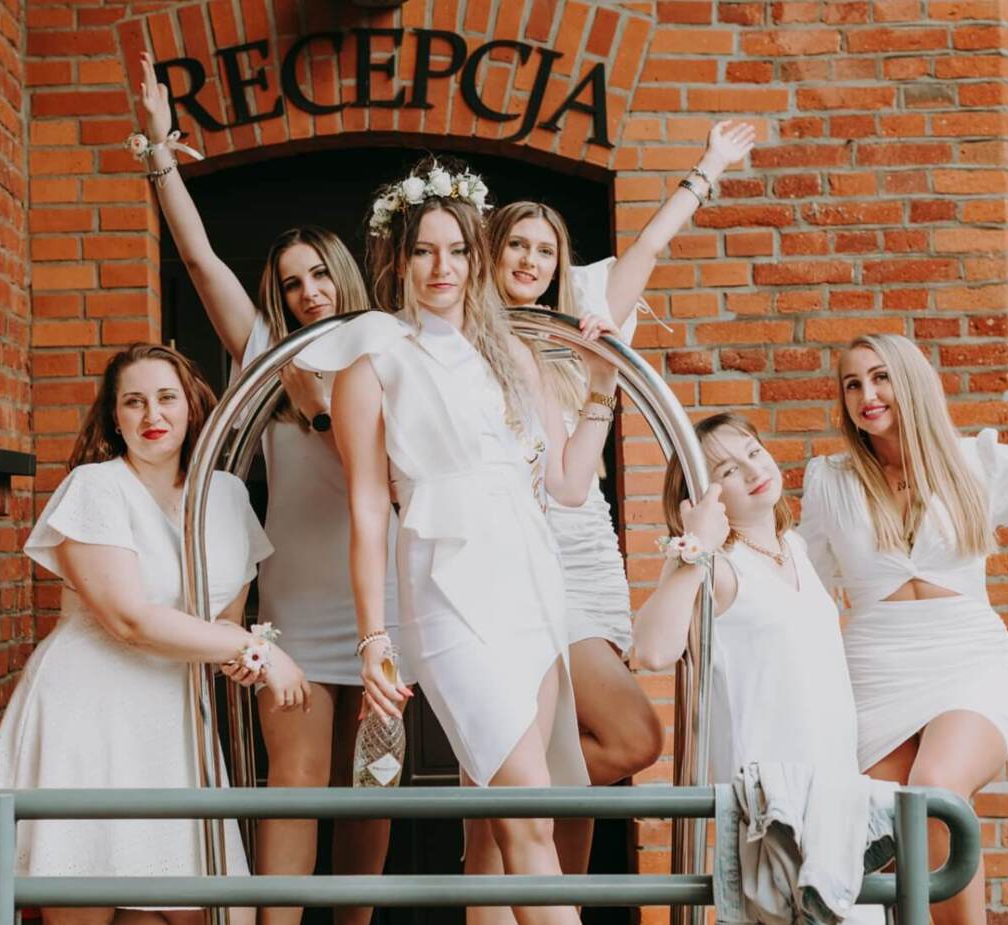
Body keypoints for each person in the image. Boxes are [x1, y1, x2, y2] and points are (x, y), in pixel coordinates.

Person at [298, 158, 620, 925]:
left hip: (530, 581)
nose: (441, 267)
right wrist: (375, 635)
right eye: (423, 250)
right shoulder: (370, 353)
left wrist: (601, 381)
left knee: (508, 824)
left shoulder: (504, 350)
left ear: (476, 257)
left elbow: (564, 484)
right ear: (396, 258)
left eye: (457, 250)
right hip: (446, 590)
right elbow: (370, 504)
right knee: (527, 820)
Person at [132, 54, 400, 925]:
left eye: (319, 274)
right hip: (294, 604)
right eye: (292, 283)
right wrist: (160, 153)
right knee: (295, 784)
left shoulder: (386, 355)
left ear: (343, 277)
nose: (309, 291)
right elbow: (199, 256)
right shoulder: (264, 359)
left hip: (380, 602)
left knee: (374, 788)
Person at [797, 317, 1008, 925]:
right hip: (875, 675)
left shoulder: (976, 463)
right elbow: (801, 586)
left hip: (969, 664)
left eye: (880, 379)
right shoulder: (832, 481)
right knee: (865, 834)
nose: (866, 396)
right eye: (852, 385)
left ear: (913, 385)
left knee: (934, 791)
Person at [485, 118, 755, 873]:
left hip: (591, 554)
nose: (531, 260)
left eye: (544, 248)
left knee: (574, 769)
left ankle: (526, 856)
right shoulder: (472, 333)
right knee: (634, 736)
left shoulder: (583, 309)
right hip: (523, 559)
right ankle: (500, 810)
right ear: (491, 253)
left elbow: (650, 247)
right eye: (517, 246)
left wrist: (708, 166)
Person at [0, 343, 310, 925]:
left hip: (173, 723)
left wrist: (241, 656)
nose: (153, 415)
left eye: (167, 398)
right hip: (90, 714)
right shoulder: (94, 487)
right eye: (135, 402)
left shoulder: (225, 495)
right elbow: (128, 619)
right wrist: (257, 651)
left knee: (212, 913)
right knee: (87, 904)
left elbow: (221, 624)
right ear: (115, 417)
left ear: (193, 408)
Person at [634, 413, 883, 925]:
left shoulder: (795, 549)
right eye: (726, 471)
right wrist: (694, 544)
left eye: (752, 450)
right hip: (772, 813)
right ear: (702, 496)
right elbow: (653, 650)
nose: (752, 470)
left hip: (834, 800)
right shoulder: (714, 567)